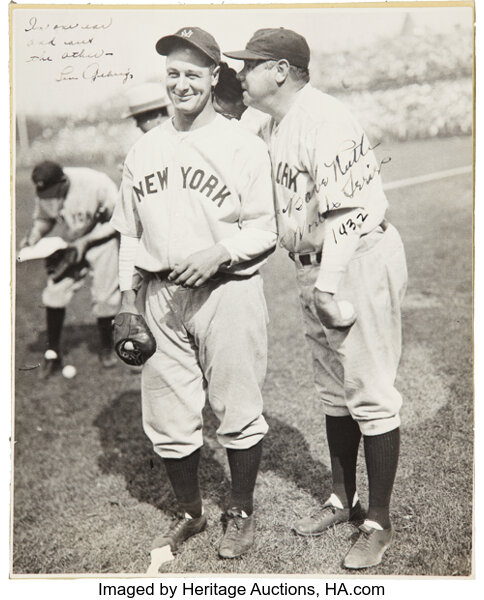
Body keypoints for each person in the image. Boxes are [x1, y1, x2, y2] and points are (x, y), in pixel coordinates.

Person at [225, 28, 407, 570]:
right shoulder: (274, 120)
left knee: (370, 391)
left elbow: (350, 214)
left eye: (250, 64)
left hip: (356, 259)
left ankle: (378, 522)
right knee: (333, 391)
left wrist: (327, 286)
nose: (240, 72)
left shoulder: (324, 119)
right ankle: (341, 498)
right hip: (316, 264)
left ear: (280, 70)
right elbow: (229, 117)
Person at [111, 26, 277, 561]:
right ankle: (190, 512)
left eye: (192, 73)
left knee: (237, 405)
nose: (181, 83)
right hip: (159, 294)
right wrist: (123, 296)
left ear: (213, 77)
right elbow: (130, 233)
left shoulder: (243, 144)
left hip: (226, 289)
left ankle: (242, 510)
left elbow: (264, 229)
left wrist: (218, 252)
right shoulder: (143, 149)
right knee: (167, 412)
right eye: (173, 74)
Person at [21, 161, 121, 377]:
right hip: (71, 241)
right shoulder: (47, 189)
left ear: (64, 181)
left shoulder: (96, 183)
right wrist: (34, 236)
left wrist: (87, 241)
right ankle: (53, 353)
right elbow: (43, 219)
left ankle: (106, 348)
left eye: (52, 192)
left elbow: (120, 219)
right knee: (55, 291)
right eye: (44, 193)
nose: (49, 197)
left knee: (105, 297)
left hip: (102, 240)